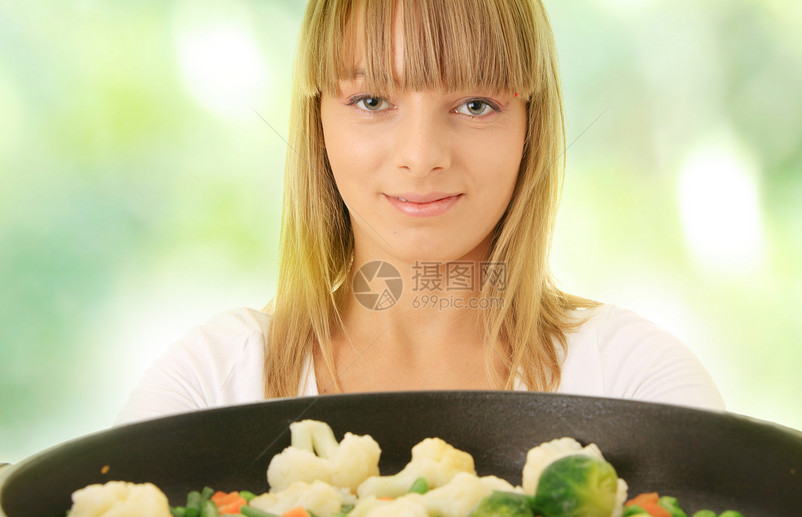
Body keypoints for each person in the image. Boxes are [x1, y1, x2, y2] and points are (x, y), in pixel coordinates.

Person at [116, 0, 724, 425]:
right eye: (372, 99)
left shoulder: (637, 379)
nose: (421, 156)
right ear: (318, 121)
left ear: (530, 129)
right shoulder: (212, 381)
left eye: (477, 104)